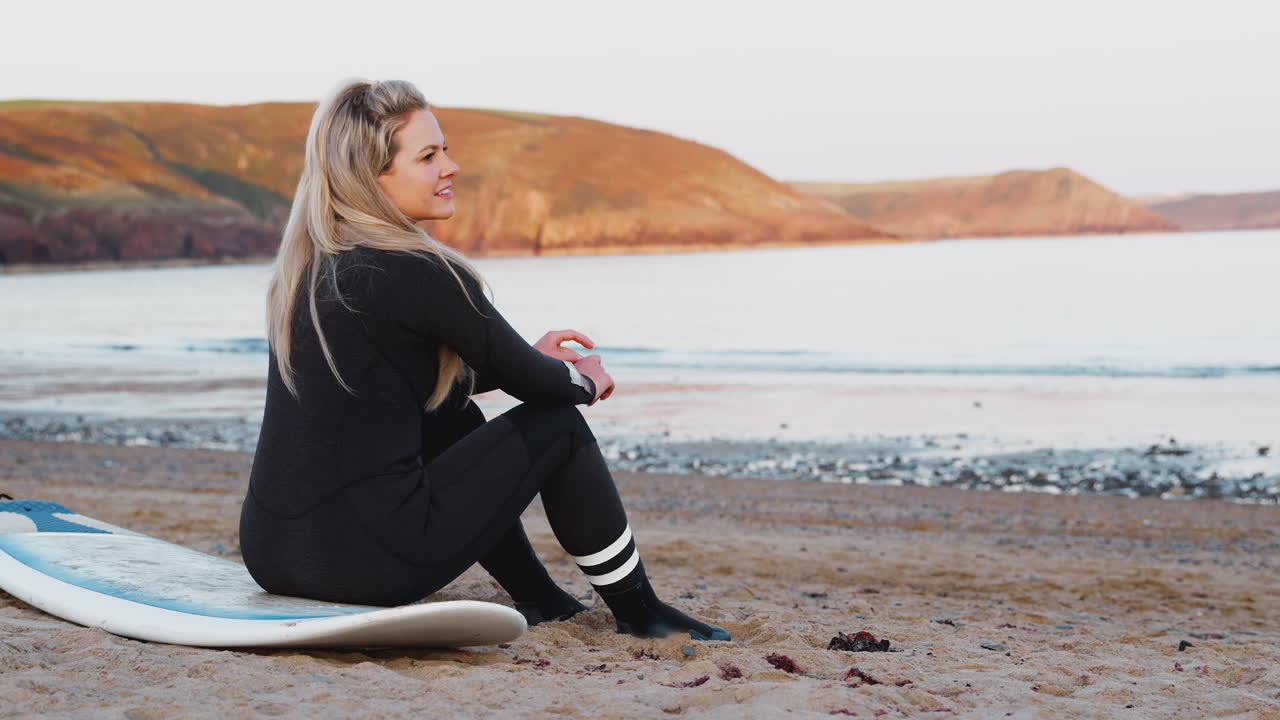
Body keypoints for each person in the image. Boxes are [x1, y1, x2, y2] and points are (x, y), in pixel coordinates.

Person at [238, 78, 730, 642]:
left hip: (274, 556)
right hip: (365, 566)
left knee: (449, 415)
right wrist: (584, 380)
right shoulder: (418, 270)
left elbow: (405, 382)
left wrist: (526, 361)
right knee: (559, 426)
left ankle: (539, 597)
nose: (451, 167)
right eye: (428, 156)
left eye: (444, 150)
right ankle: (641, 612)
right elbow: (540, 387)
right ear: (370, 176)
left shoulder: (310, 270)